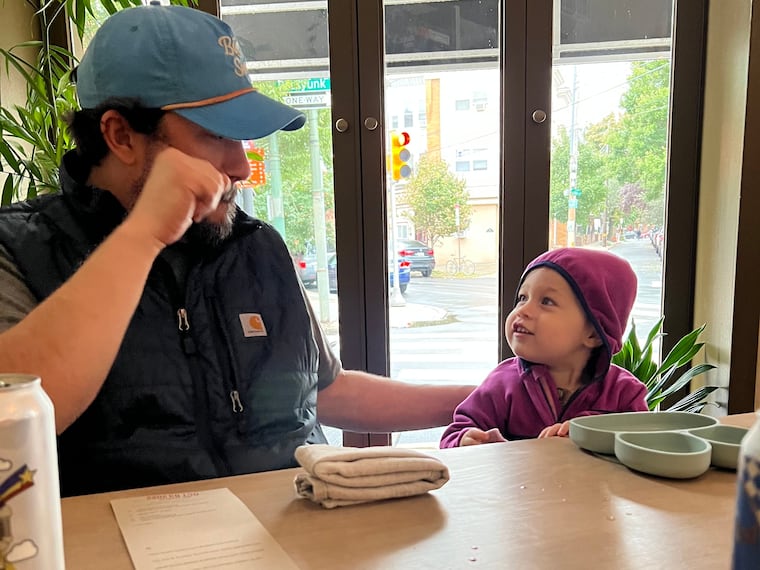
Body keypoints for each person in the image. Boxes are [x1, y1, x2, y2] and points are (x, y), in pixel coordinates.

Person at [0, 5, 473, 496]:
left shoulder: (257, 246)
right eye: (216, 134)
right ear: (120, 135)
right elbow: (9, 424)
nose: (241, 165)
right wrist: (143, 235)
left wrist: (480, 397)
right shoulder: (19, 250)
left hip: (301, 530)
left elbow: (324, 389)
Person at [440, 247, 648, 448]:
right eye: (523, 298)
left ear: (594, 333)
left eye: (546, 301)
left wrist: (592, 434)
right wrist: (465, 439)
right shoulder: (503, 384)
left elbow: (644, 445)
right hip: (519, 484)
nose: (523, 310)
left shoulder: (624, 394)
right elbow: (455, 432)